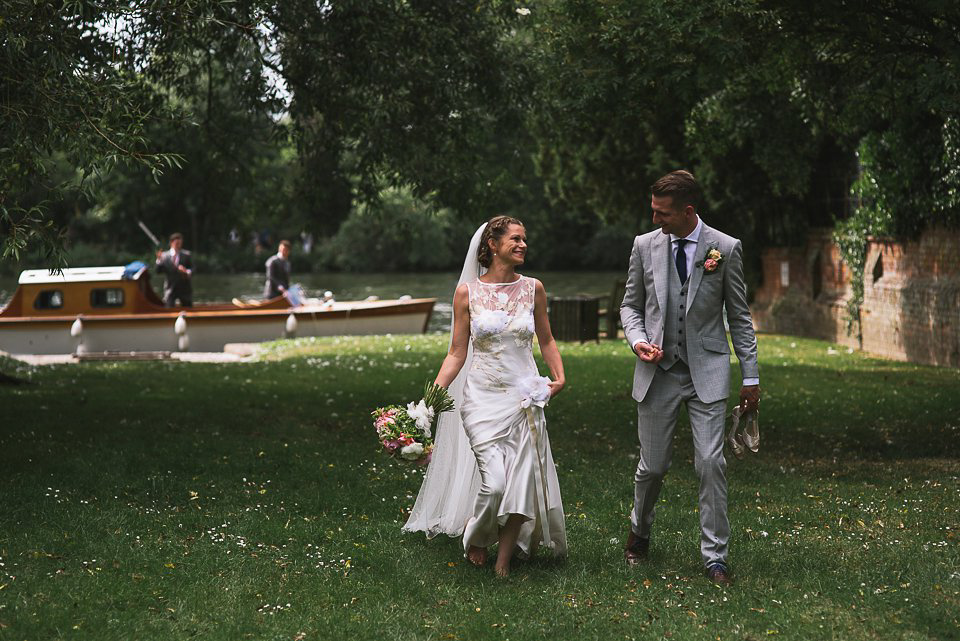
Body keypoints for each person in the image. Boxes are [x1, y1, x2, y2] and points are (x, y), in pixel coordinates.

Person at [403, 216, 567, 577]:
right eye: (515, 239)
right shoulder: (467, 293)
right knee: (494, 483)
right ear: (493, 245)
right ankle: (476, 537)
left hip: (525, 398)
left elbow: (547, 338)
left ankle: (504, 563)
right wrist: (430, 400)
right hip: (481, 399)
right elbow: (456, 354)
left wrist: (559, 375)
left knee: (521, 483)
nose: (523, 244)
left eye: (525, 239)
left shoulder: (533, 288)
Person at [619, 170, 760, 586]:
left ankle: (715, 557)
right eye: (653, 211)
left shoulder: (725, 248)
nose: (655, 218)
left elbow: (740, 317)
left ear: (688, 211)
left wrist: (750, 377)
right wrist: (638, 340)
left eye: (662, 213)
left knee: (711, 462)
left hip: (708, 371)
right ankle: (639, 533)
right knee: (652, 467)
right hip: (657, 371)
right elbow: (631, 306)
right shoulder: (644, 246)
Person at [155, 232, 193, 307]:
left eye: (180, 243)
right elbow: (158, 271)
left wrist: (186, 271)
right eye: (177, 243)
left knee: (188, 307)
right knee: (168, 308)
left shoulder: (187, 255)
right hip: (170, 288)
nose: (179, 245)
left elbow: (193, 268)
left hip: (184, 288)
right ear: (172, 243)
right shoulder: (165, 256)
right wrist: (159, 260)